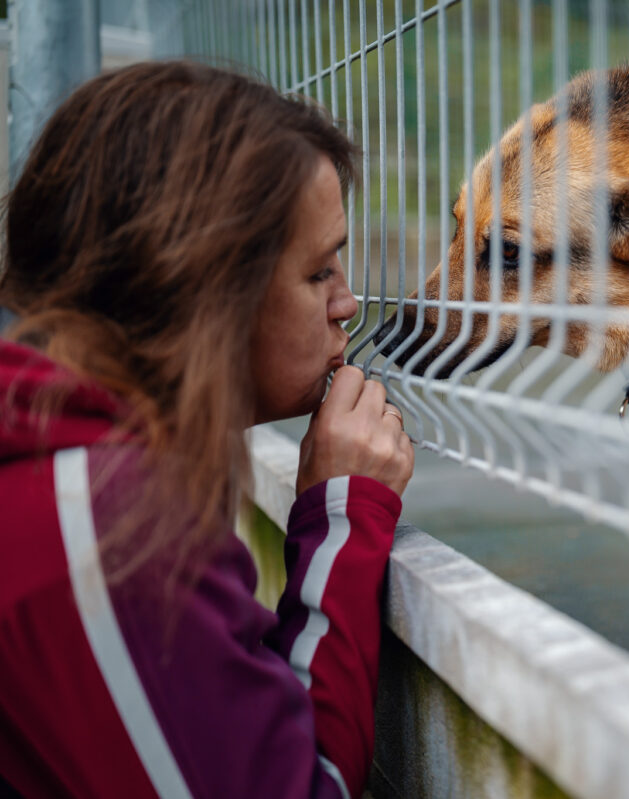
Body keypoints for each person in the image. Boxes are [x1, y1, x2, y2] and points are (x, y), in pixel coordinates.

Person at [0, 61, 414, 798]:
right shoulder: (103, 523)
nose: (348, 302)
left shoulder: (68, 462)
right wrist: (343, 527)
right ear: (210, 288)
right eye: (321, 270)